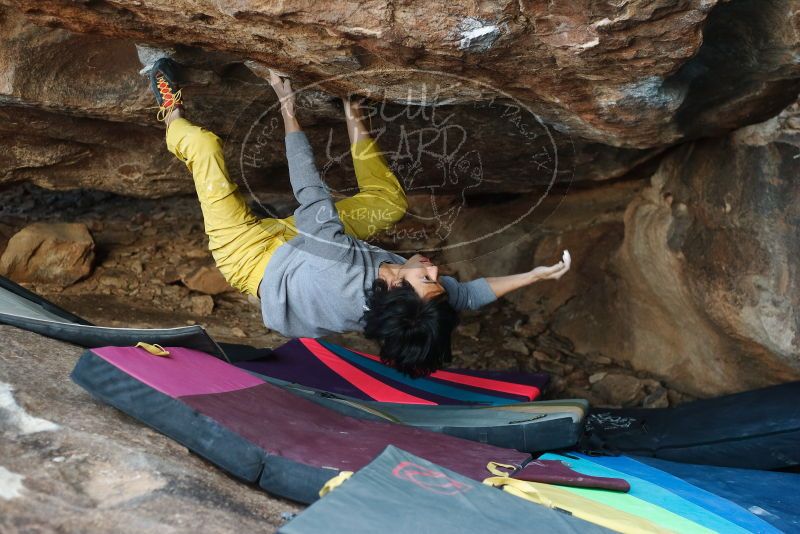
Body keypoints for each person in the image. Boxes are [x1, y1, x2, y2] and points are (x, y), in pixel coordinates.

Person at [148, 58, 571, 376]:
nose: (436, 269)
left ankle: (170, 112)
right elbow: (467, 296)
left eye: (426, 278)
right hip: (305, 247)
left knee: (204, 148)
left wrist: (286, 105)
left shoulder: (344, 270)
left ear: (392, 286)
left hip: (248, 256)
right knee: (388, 204)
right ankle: (355, 113)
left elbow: (309, 189)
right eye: (436, 281)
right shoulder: (402, 299)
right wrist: (534, 275)